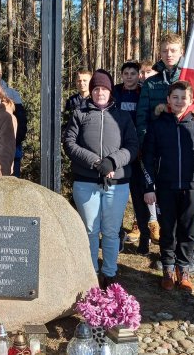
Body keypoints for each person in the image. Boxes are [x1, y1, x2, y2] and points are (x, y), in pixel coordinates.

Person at [63, 69, 138, 287]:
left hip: (118, 183)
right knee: (90, 230)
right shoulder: (80, 113)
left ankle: (110, 273)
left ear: (110, 91)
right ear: (91, 91)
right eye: (96, 88)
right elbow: (69, 143)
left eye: (104, 88)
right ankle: (91, 273)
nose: (99, 93)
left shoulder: (122, 116)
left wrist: (113, 162)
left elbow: (133, 146)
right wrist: (96, 162)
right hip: (86, 182)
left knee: (111, 231)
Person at [141, 81, 194, 292]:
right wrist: (149, 187)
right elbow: (147, 158)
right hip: (165, 187)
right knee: (168, 230)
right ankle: (167, 269)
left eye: (184, 98)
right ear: (168, 100)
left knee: (188, 231)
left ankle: (183, 271)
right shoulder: (157, 125)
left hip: (192, 189)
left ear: (191, 101)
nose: (179, 101)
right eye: (175, 97)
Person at [113, 61, 160, 254]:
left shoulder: (144, 92)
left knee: (141, 197)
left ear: (138, 75)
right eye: (126, 73)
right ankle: (116, 239)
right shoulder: (115, 92)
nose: (130, 76)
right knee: (115, 199)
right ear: (122, 75)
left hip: (140, 151)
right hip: (119, 150)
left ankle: (144, 240)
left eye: (134, 73)